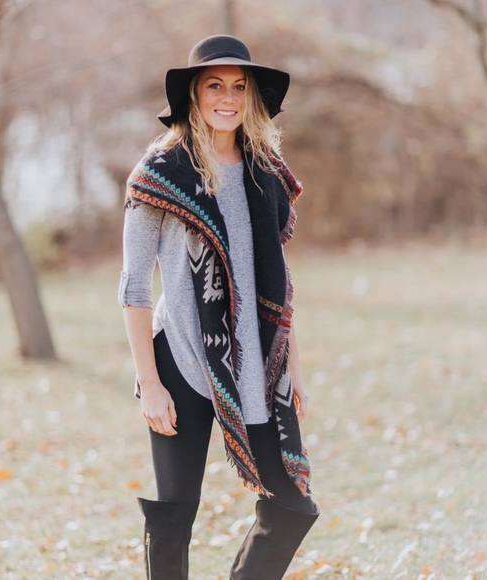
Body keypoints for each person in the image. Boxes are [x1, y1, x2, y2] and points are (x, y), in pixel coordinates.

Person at [118, 34, 320, 580]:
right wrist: (149, 383)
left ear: (251, 97)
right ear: (194, 95)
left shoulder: (264, 172)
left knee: (293, 506)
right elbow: (134, 287)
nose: (227, 98)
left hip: (254, 365)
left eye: (238, 87)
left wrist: (292, 369)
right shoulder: (161, 173)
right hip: (180, 360)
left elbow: (277, 285)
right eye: (214, 86)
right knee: (174, 514)